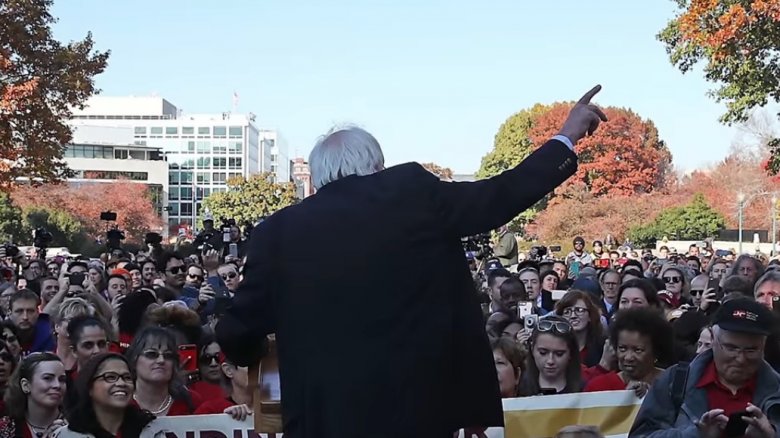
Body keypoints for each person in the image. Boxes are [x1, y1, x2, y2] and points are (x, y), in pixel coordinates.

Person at [216, 85, 608, 436]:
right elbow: (500, 195)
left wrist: (261, 354)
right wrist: (566, 135)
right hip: (419, 415)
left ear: (318, 178)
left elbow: (237, 332)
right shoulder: (412, 194)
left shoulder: (277, 232)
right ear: (376, 166)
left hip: (322, 419)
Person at [630, 298, 780, 437]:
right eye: (731, 348)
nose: (741, 358)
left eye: (751, 350)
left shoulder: (776, 389)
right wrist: (695, 434)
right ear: (713, 340)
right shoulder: (675, 382)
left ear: (763, 346)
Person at [56, 353, 158, 437]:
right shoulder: (69, 435)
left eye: (127, 377)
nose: (121, 383)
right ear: (89, 387)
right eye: (110, 377)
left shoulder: (153, 431)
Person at [584, 308, 673, 397]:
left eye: (638, 350)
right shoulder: (598, 388)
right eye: (622, 348)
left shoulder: (673, 384)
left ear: (656, 351)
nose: (628, 357)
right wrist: (625, 399)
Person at [125, 327, 202, 416]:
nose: (161, 360)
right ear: (134, 360)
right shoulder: (121, 402)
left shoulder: (191, 401)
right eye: (152, 354)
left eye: (168, 355)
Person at [0, 353, 66, 437]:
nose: (57, 385)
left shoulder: (77, 425)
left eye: (62, 380)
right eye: (47, 378)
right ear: (26, 385)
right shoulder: (6, 428)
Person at [518, 316, 582, 396]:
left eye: (559, 354)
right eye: (543, 353)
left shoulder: (586, 391)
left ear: (571, 353)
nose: (550, 361)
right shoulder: (517, 388)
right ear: (532, 349)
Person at [554, 291, 604, 367]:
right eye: (567, 312)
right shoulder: (554, 347)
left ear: (590, 316)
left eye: (579, 310)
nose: (573, 316)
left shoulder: (601, 347)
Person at [8, 289, 55, 355]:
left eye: (30, 311)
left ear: (38, 312)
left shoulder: (51, 335)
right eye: (19, 311)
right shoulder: (2, 336)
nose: (25, 317)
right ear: (10, 313)